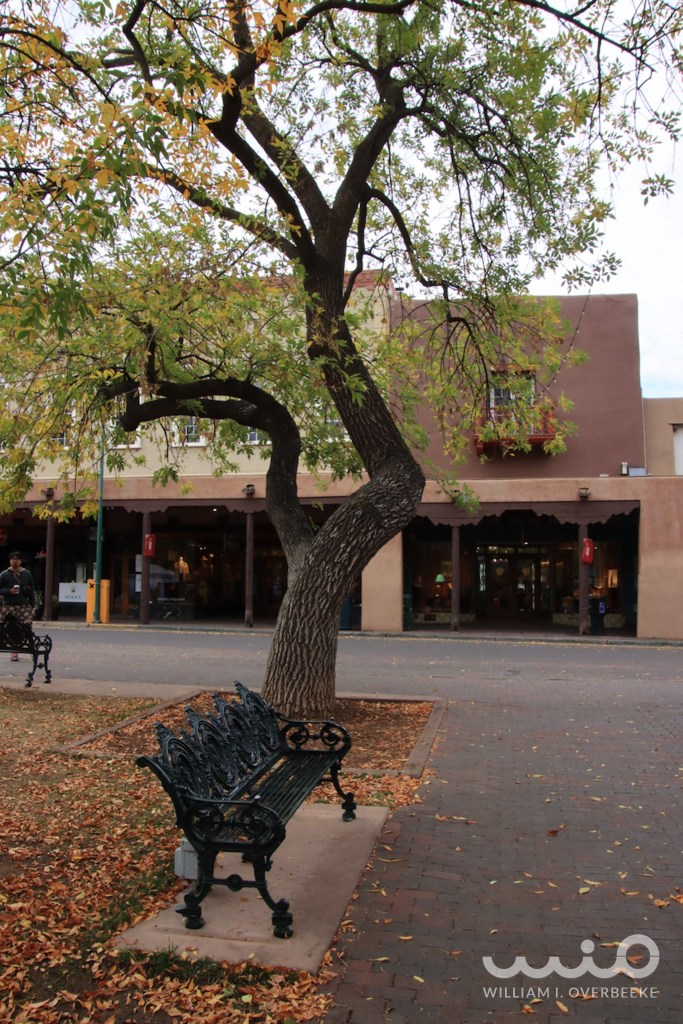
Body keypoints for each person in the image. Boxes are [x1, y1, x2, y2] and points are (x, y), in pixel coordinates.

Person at [0, 551, 36, 661]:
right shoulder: (4, 574)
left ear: (20, 561)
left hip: (23, 605)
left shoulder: (26, 573)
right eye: (12, 559)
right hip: (9, 605)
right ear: (10, 561)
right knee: (10, 627)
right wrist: (8, 591)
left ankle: (31, 648)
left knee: (26, 626)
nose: (15, 561)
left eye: (17, 559)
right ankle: (14, 651)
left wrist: (32, 604)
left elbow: (32, 589)